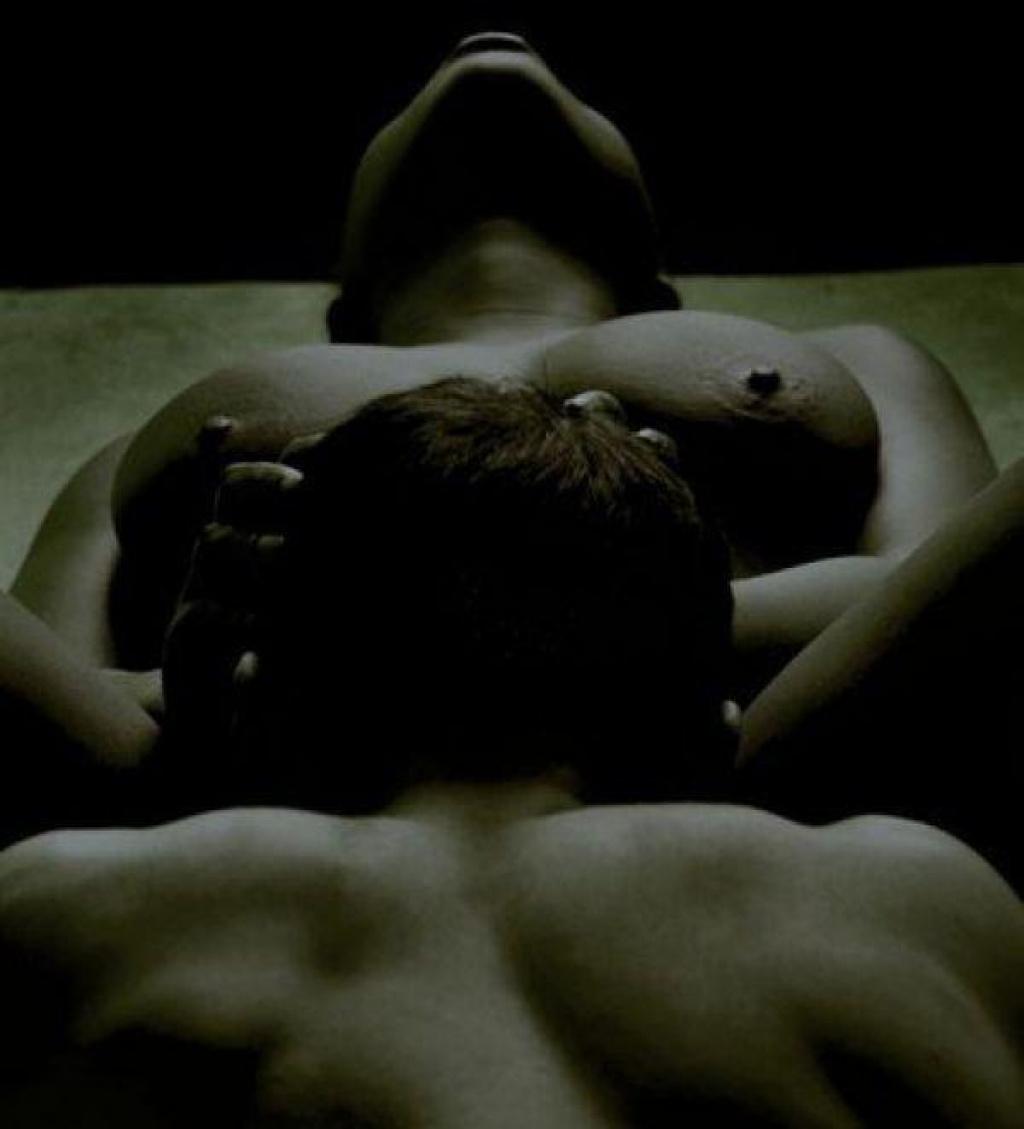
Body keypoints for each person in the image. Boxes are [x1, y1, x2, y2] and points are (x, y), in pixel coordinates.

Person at [1, 379, 1020, 1126]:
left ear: (264, 707)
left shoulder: (59, 905)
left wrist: (200, 753)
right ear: (711, 743)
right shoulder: (919, 897)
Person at [9, 31, 996, 712]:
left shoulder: (868, 357)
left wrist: (375, 644)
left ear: (659, 293)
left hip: (754, 742)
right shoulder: (139, 443)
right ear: (345, 306)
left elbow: (954, 598)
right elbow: (58, 702)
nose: (481, 49)